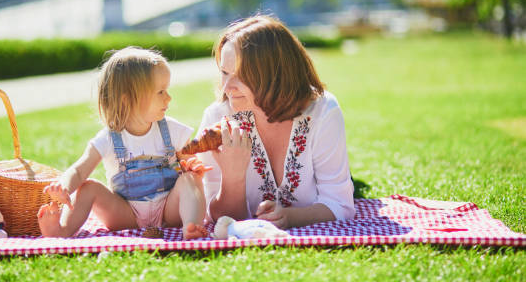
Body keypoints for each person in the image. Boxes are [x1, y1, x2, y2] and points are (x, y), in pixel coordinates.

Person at [197, 15, 354, 229]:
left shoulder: (322, 112)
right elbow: (216, 218)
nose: (226, 87)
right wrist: (233, 178)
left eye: (241, 76)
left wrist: (290, 217)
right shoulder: (218, 119)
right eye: (224, 72)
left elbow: (340, 205)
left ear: (276, 75)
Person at [37, 47, 209, 239]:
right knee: (88, 188)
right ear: (127, 100)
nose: (168, 98)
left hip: (170, 209)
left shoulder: (172, 130)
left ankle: (191, 226)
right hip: (125, 213)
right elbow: (78, 170)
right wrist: (64, 188)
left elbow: (189, 163)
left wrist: (193, 168)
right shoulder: (109, 138)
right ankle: (62, 230)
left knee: (190, 180)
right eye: (160, 92)